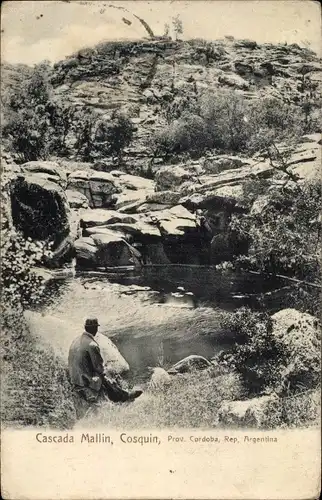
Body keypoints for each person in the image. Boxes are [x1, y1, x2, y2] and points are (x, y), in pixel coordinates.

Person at [68, 317, 142, 418]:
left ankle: (120, 395)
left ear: (85, 328)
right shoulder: (92, 345)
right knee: (107, 375)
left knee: (103, 374)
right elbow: (99, 369)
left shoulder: (75, 341)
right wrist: (107, 370)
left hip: (74, 380)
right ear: (95, 329)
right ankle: (123, 397)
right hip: (86, 382)